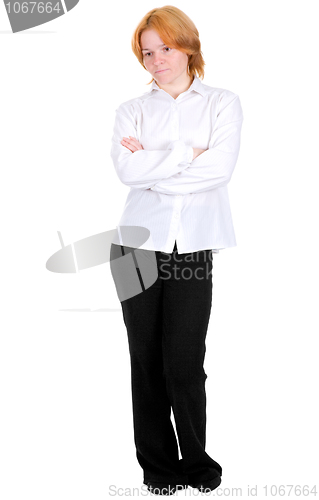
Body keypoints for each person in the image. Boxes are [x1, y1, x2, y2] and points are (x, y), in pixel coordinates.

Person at [109, 5, 243, 496]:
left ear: (188, 46)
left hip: (194, 247)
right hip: (132, 247)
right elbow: (127, 174)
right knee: (144, 360)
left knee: (184, 359)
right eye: (147, 52)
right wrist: (188, 155)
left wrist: (154, 167)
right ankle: (159, 471)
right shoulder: (131, 110)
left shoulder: (222, 103)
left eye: (166, 47)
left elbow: (221, 171)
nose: (157, 59)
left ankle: (199, 464)